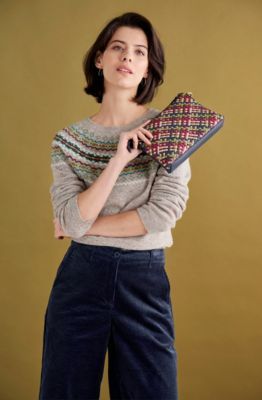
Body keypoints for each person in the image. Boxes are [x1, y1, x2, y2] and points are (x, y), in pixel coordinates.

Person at [38, 11, 191, 400]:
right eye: (118, 48)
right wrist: (119, 160)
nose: (128, 57)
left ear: (147, 69)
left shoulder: (171, 129)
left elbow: (161, 215)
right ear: (99, 58)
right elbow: (70, 218)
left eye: (140, 52)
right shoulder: (68, 140)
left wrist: (80, 225)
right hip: (80, 281)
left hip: (144, 279)